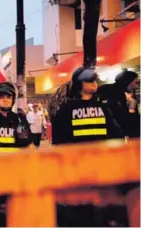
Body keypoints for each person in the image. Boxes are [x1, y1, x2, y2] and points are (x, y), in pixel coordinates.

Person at [51, 67, 124, 226]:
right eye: (89, 80)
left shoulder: (103, 107)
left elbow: (116, 133)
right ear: (79, 84)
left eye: (94, 80)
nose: (94, 83)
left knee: (102, 207)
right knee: (84, 209)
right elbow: (59, 143)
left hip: (101, 166)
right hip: (78, 169)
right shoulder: (67, 109)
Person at [0, 81, 31, 226]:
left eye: (8, 97)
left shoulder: (20, 118)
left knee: (19, 210)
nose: (5, 99)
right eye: (2, 97)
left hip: (18, 171)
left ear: (13, 100)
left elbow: (26, 142)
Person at [97, 70, 139, 138]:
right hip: (107, 136)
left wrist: (132, 108)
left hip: (123, 137)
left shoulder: (130, 98)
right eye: (136, 82)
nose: (136, 86)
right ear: (127, 81)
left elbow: (133, 122)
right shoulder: (105, 90)